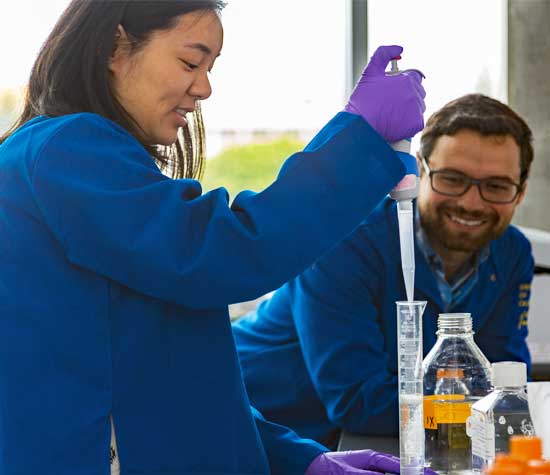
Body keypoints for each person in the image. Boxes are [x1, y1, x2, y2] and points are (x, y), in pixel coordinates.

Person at [0, 1, 431, 474]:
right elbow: (226, 251)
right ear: (115, 47)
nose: (203, 88)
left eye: (209, 67)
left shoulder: (89, 164)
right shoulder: (66, 149)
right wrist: (361, 140)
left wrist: (302, 461)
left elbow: (176, 378)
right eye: (190, 62)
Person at [233, 94, 535, 447]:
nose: (471, 203)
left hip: (373, 441)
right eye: (452, 179)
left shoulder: (512, 252)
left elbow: (505, 377)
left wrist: (489, 407)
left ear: (521, 191)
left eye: (496, 186)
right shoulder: (344, 240)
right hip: (255, 426)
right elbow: (359, 400)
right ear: (418, 170)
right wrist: (483, 410)